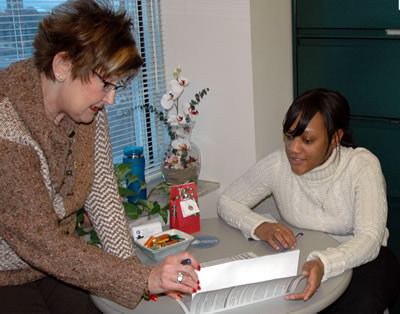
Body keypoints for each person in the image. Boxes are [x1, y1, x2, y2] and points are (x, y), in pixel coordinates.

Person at [0, 0, 200, 313]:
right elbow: (39, 240)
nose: (111, 98)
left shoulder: (86, 112)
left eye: (116, 85)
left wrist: (140, 276)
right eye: (105, 83)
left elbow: (103, 197)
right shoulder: (7, 128)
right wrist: (142, 278)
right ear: (63, 65)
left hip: (52, 265)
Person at [217, 88, 400, 313]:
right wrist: (260, 227)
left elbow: (370, 238)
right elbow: (227, 201)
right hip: (304, 259)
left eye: (307, 140)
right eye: (290, 136)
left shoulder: (362, 166)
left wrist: (324, 262)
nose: (293, 149)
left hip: (361, 260)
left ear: (335, 138)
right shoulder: (278, 164)